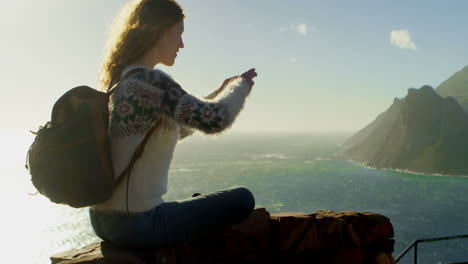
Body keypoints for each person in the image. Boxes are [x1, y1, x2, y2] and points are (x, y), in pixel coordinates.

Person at [89, 0, 258, 249]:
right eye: (178, 34)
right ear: (160, 31)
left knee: (202, 205)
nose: (181, 44)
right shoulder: (152, 82)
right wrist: (240, 87)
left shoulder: (120, 81)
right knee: (243, 199)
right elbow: (215, 120)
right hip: (139, 225)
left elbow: (177, 127)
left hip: (101, 221)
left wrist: (219, 91)